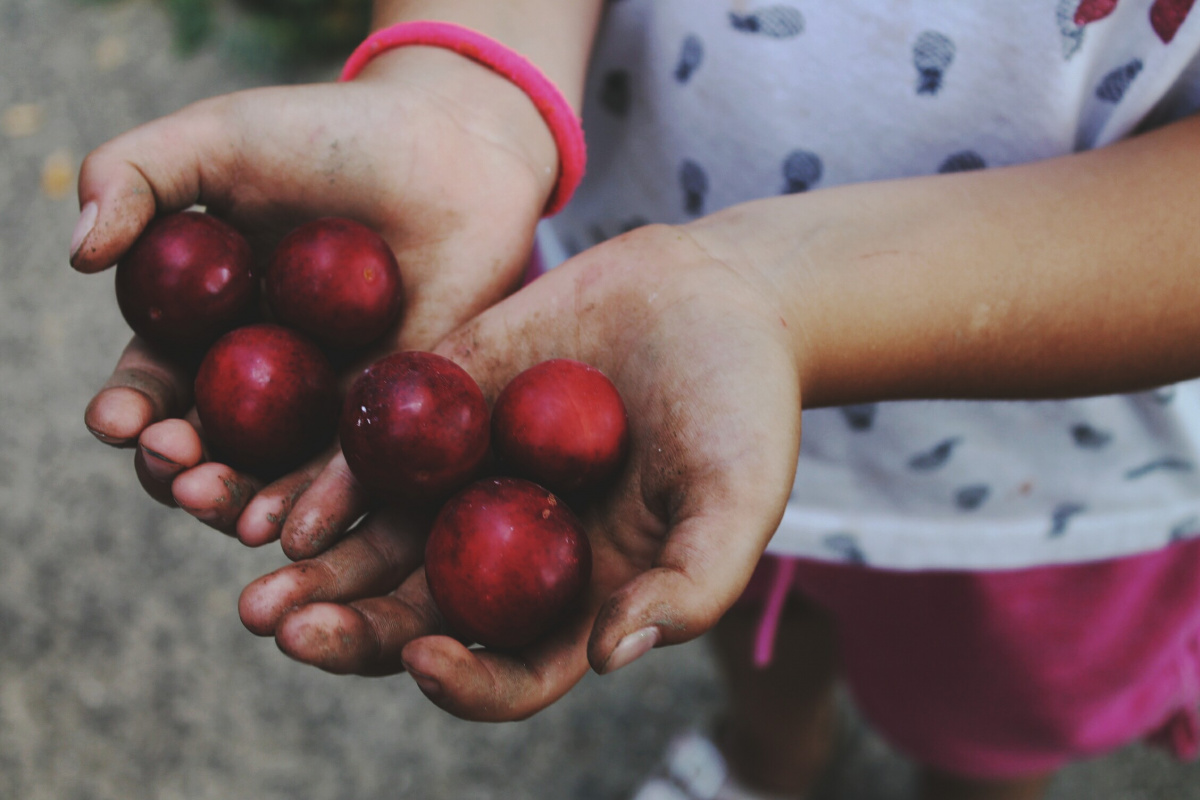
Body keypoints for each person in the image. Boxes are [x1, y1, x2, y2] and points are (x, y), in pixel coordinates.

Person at [71, 1, 1200, 798]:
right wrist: (469, 92)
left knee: (986, 721)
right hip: (647, 336)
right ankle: (768, 763)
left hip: (1030, 473)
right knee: (728, 604)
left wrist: (780, 298)